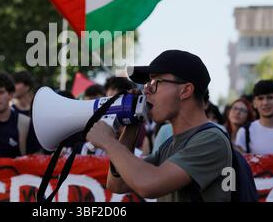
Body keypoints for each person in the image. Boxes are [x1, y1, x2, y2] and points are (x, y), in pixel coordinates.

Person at [86, 50, 232, 202]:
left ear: (186, 90)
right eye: (148, 83)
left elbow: (148, 185)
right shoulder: (170, 144)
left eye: (156, 83)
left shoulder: (211, 140)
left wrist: (109, 142)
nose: (146, 90)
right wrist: (132, 123)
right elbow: (118, 184)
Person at [12, 71, 42, 154]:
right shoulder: (11, 111)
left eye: (16, 83)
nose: (12, 86)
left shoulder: (39, 108)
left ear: (27, 86)